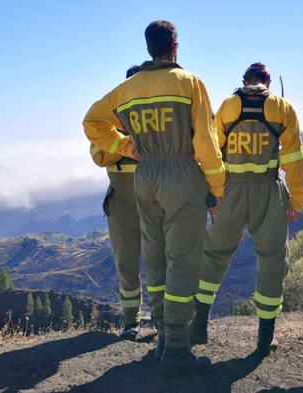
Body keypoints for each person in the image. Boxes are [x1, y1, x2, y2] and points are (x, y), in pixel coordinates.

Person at [83, 20, 225, 377]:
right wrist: (217, 189)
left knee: (156, 256)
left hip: (143, 178)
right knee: (183, 260)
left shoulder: (127, 88)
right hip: (180, 173)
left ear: (148, 49)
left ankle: (162, 335)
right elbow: (206, 144)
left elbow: (91, 122)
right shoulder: (189, 82)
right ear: (175, 47)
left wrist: (123, 145)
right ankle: (177, 347)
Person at [189, 62, 303, 357]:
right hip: (267, 190)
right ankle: (264, 337)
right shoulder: (282, 108)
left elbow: (211, 149)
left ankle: (199, 325)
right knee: (271, 258)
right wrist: (297, 201)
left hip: (230, 190)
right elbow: (295, 159)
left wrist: (211, 191)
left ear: (244, 80)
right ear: (267, 81)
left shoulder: (228, 106)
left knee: (214, 252)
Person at [89, 65, 144, 341]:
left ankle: (164, 318)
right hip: (121, 199)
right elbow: (98, 156)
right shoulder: (109, 120)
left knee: (165, 260)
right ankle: (130, 320)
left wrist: (120, 147)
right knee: (126, 261)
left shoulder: (154, 116)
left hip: (155, 193)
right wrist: (128, 143)